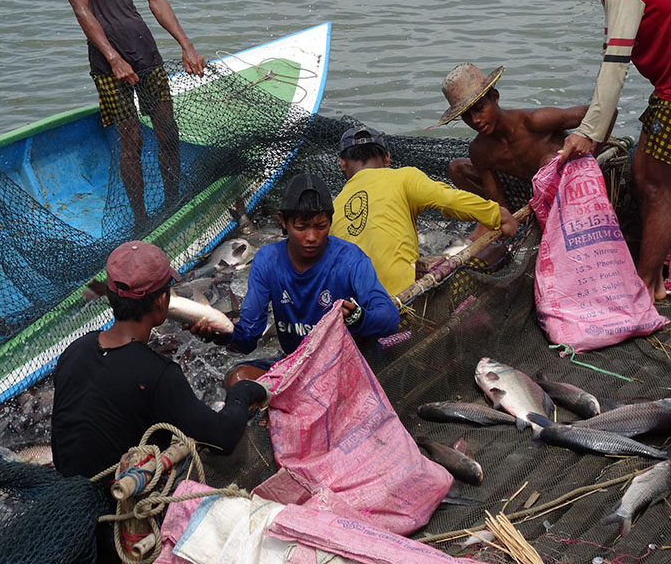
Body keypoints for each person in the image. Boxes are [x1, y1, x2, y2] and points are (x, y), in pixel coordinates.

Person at [56, 0, 207, 229]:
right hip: (108, 61)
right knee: (132, 140)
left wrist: (187, 46)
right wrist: (113, 58)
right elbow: (82, 10)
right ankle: (141, 219)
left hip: (144, 50)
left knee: (167, 129)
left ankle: (173, 201)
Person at [535, 0, 671, 301]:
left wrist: (587, 134)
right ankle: (656, 280)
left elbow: (614, 70)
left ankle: (646, 285)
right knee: (644, 175)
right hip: (664, 89)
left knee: (658, 187)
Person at [50, 241, 268, 481]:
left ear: (110, 297)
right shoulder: (158, 375)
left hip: (68, 486)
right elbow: (223, 438)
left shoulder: (75, 350)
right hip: (122, 499)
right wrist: (242, 391)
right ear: (162, 300)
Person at [201, 173, 399, 366]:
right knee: (238, 379)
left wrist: (358, 317)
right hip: (298, 366)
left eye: (320, 226)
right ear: (283, 222)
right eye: (301, 227)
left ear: (331, 221)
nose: (312, 237)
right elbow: (247, 339)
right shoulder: (267, 261)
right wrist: (219, 332)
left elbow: (389, 319)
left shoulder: (350, 259)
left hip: (344, 365)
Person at [332, 126, 518, 296]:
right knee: (496, 252)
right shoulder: (403, 178)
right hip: (404, 300)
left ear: (342, 163)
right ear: (387, 158)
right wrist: (497, 214)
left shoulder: (332, 208)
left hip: (356, 310)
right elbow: (450, 200)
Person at [439, 62, 591, 213]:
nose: (475, 120)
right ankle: (524, 215)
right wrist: (505, 219)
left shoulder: (534, 121)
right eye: (466, 116)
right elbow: (498, 203)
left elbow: (597, 113)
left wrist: (590, 146)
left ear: (494, 97)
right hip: (529, 188)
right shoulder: (480, 150)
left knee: (548, 161)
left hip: (572, 184)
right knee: (456, 168)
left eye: (479, 108)